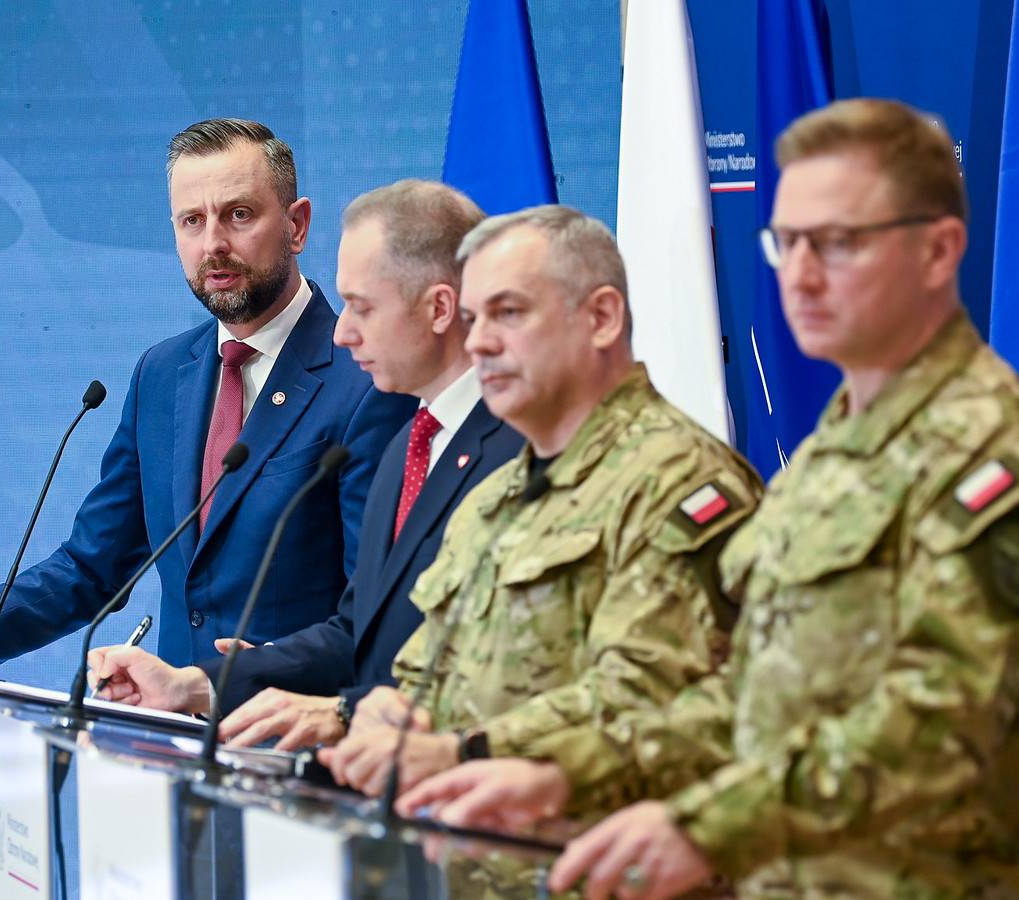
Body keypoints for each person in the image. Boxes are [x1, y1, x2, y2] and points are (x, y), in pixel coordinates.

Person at [403, 98, 1019, 900]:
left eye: (836, 243)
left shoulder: (1002, 458)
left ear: (938, 250)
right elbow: (750, 692)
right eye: (787, 242)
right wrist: (562, 771)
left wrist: (703, 826)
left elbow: (941, 725)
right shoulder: (833, 454)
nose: (799, 275)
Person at [0, 118, 413, 679]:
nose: (213, 244)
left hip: (305, 735)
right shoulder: (162, 375)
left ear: (297, 225)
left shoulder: (369, 380)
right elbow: (91, 566)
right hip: (173, 738)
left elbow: (379, 614)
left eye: (239, 215)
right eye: (191, 221)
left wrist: (259, 677)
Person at [321, 204, 762, 894]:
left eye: (509, 313)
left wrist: (462, 751)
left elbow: (650, 699)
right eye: (473, 319)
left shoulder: (680, 483)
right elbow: (427, 675)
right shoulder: (495, 498)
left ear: (601, 317)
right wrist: (388, 713)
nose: (479, 343)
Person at [87, 179, 523, 749]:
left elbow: (520, 662)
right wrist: (195, 685)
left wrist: (350, 716)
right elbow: (365, 632)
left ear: (439, 308)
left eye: (362, 306)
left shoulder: (521, 451)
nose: (342, 330)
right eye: (190, 220)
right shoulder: (412, 447)